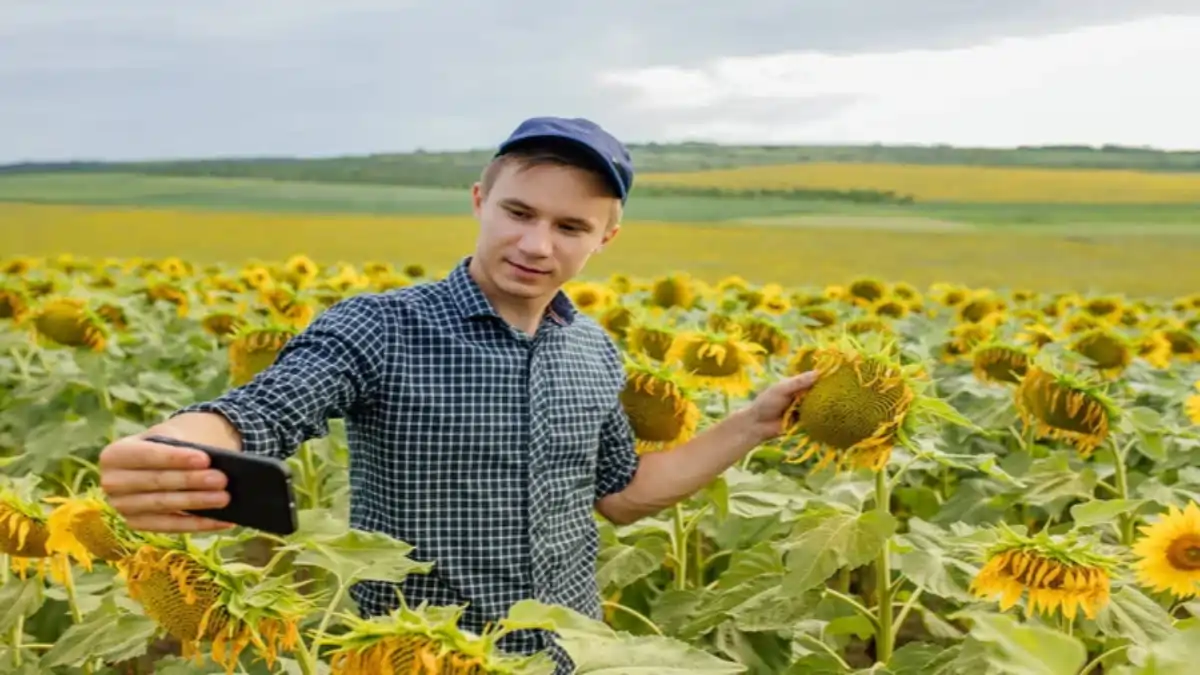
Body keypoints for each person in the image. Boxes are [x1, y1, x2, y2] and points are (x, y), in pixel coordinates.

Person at [97, 116, 818, 671]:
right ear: (480, 201)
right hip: (414, 658)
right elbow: (264, 409)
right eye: (519, 213)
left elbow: (621, 495)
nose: (536, 245)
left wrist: (753, 422)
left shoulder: (594, 351)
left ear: (606, 238)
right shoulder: (382, 327)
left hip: (566, 656)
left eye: (570, 226)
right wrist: (174, 447)